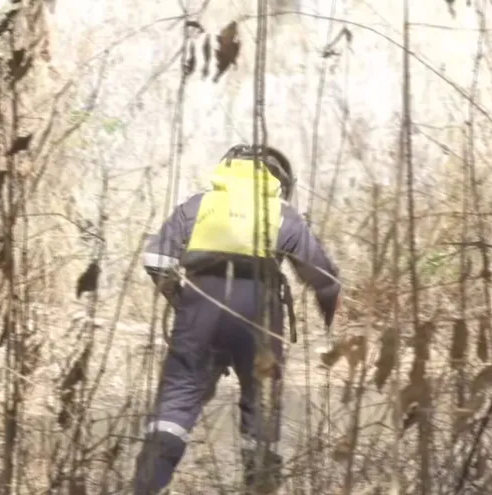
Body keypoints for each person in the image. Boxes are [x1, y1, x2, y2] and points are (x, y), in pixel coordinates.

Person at [134, 144, 342, 494]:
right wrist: (329, 319)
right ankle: (259, 486)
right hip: (260, 312)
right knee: (260, 408)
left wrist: (180, 299)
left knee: (177, 403)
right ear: (279, 178)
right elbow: (325, 279)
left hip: (199, 307)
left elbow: (156, 257)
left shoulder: (197, 205)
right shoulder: (281, 212)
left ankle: (144, 487)